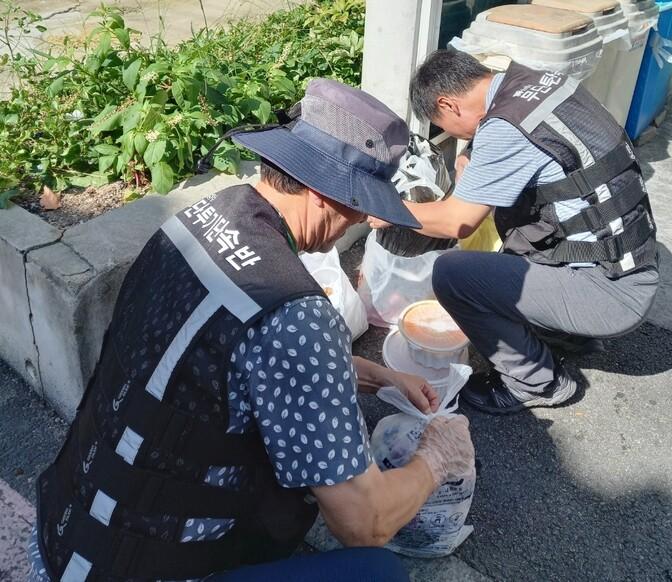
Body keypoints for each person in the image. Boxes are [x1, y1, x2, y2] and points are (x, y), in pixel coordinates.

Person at [28, 78, 473, 581]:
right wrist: (437, 458)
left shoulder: (196, 220)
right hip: (142, 569)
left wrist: (378, 375)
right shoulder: (297, 316)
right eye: (361, 202)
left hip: (66, 534)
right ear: (321, 193)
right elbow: (364, 522)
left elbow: (235, 363)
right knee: (376, 570)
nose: (365, 219)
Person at [369, 50, 659, 415]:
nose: (455, 136)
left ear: (448, 104)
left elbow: (457, 221)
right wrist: (474, 152)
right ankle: (564, 334)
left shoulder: (505, 129)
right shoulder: (541, 83)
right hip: (632, 263)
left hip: (613, 295)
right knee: (510, 232)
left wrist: (389, 209)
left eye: (445, 125)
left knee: (454, 275)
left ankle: (537, 382)